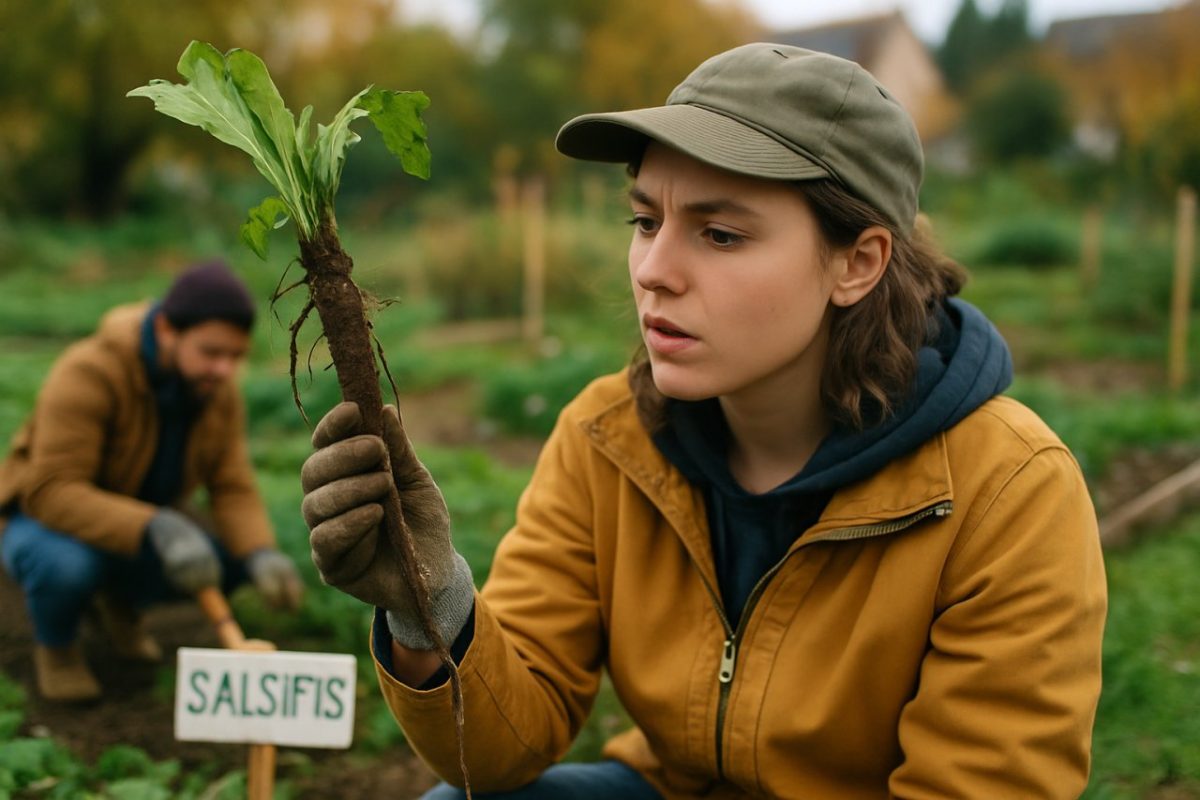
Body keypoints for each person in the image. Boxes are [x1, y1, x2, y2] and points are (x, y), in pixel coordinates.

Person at [300, 44, 1107, 798]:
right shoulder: (605, 437)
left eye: (720, 234)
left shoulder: (1006, 491)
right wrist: (431, 606)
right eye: (646, 221)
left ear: (858, 262)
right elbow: (504, 743)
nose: (653, 271)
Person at [0, 260, 302, 703]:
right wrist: (157, 526)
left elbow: (231, 484)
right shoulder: (89, 372)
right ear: (165, 329)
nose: (224, 370)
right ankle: (58, 647)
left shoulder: (215, 391)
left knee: (230, 560)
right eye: (212, 352)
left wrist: (260, 553)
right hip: (43, 521)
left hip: (133, 521)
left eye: (236, 357)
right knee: (67, 568)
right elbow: (52, 491)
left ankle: (121, 605)